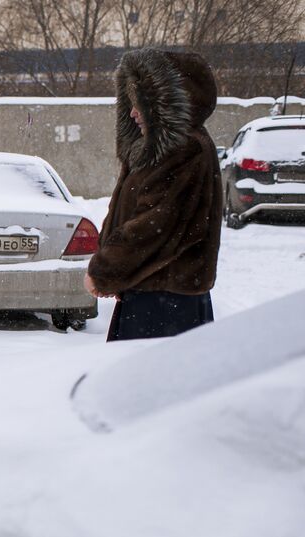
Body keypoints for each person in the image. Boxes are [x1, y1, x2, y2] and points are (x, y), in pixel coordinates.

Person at [85, 49, 222, 340]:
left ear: (164, 105)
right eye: (131, 104)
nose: (133, 113)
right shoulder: (157, 149)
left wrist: (106, 270)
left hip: (166, 302)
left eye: (141, 104)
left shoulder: (184, 148)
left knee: (154, 382)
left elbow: (153, 224)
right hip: (152, 293)